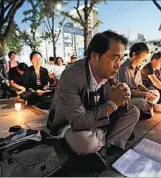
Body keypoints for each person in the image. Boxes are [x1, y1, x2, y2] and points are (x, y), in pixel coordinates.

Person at [47, 30, 140, 165]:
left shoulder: (111, 72)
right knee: (85, 141)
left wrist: (123, 97)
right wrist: (113, 104)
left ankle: (103, 147)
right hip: (69, 124)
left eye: (121, 59)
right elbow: (78, 122)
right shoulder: (71, 76)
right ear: (95, 57)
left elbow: (119, 106)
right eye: (114, 58)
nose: (118, 65)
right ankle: (108, 142)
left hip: (96, 117)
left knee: (134, 112)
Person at [118, 43, 161, 118]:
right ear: (134, 54)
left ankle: (146, 108)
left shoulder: (137, 69)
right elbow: (126, 92)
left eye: (145, 58)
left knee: (156, 93)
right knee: (142, 102)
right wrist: (144, 94)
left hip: (138, 94)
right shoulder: (123, 69)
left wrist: (148, 92)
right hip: (128, 98)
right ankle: (145, 109)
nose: (143, 60)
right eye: (142, 57)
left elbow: (139, 84)